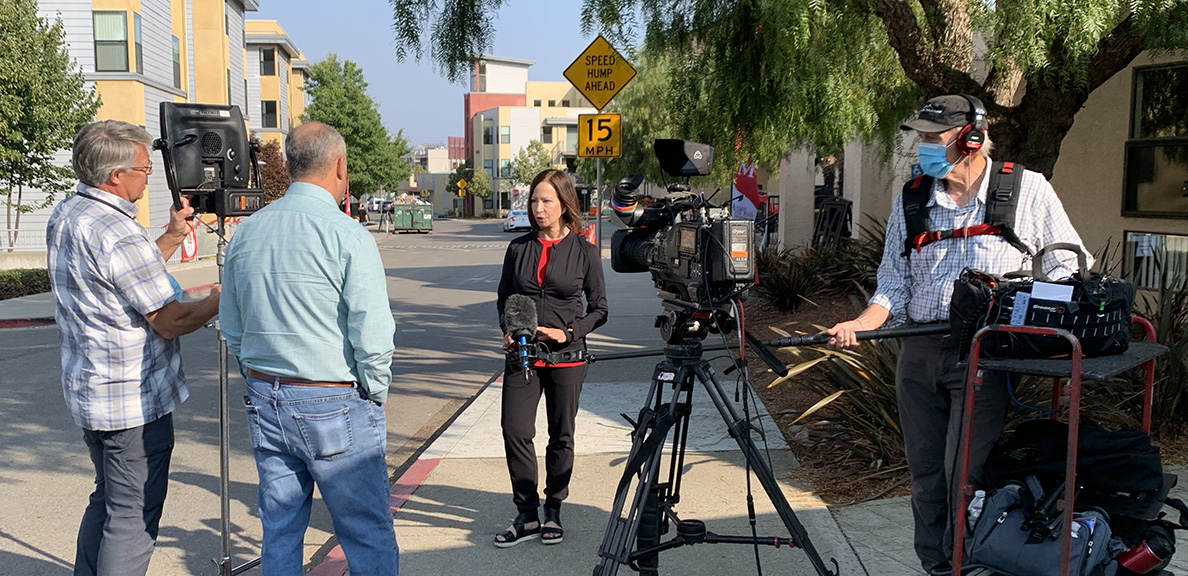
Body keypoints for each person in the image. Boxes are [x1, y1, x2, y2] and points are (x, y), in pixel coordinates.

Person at [826, 94, 1090, 575]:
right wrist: (861, 325)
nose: (922, 148)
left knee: (963, 475)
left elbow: (1067, 269)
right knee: (926, 475)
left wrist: (1054, 342)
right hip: (920, 351)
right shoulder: (912, 197)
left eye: (932, 138)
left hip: (985, 355)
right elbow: (893, 284)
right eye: (921, 137)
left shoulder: (1027, 189)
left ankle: (967, 562)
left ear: (971, 139)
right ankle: (937, 564)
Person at [219, 122, 399, 575]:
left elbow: (232, 326)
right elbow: (372, 333)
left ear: (288, 165)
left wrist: (259, 372)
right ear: (340, 166)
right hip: (333, 399)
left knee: (280, 528)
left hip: (266, 395)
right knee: (365, 529)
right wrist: (374, 390)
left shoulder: (248, 232)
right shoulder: (348, 235)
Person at [48, 120, 221, 576]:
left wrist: (167, 238)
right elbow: (168, 321)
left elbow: (119, 280)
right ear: (114, 176)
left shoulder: (70, 212)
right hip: (131, 405)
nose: (149, 176)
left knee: (108, 500)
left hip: (93, 394)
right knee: (132, 517)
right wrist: (222, 298)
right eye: (144, 169)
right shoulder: (116, 231)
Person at [494, 169, 608, 547]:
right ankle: (527, 514)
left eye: (546, 201)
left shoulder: (585, 252)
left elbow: (600, 309)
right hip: (523, 357)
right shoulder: (518, 249)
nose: (538, 209)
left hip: (567, 359)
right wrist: (508, 330)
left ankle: (554, 509)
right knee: (515, 431)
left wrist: (569, 332)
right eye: (533, 201)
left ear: (564, 205)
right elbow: (504, 299)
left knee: (561, 436)